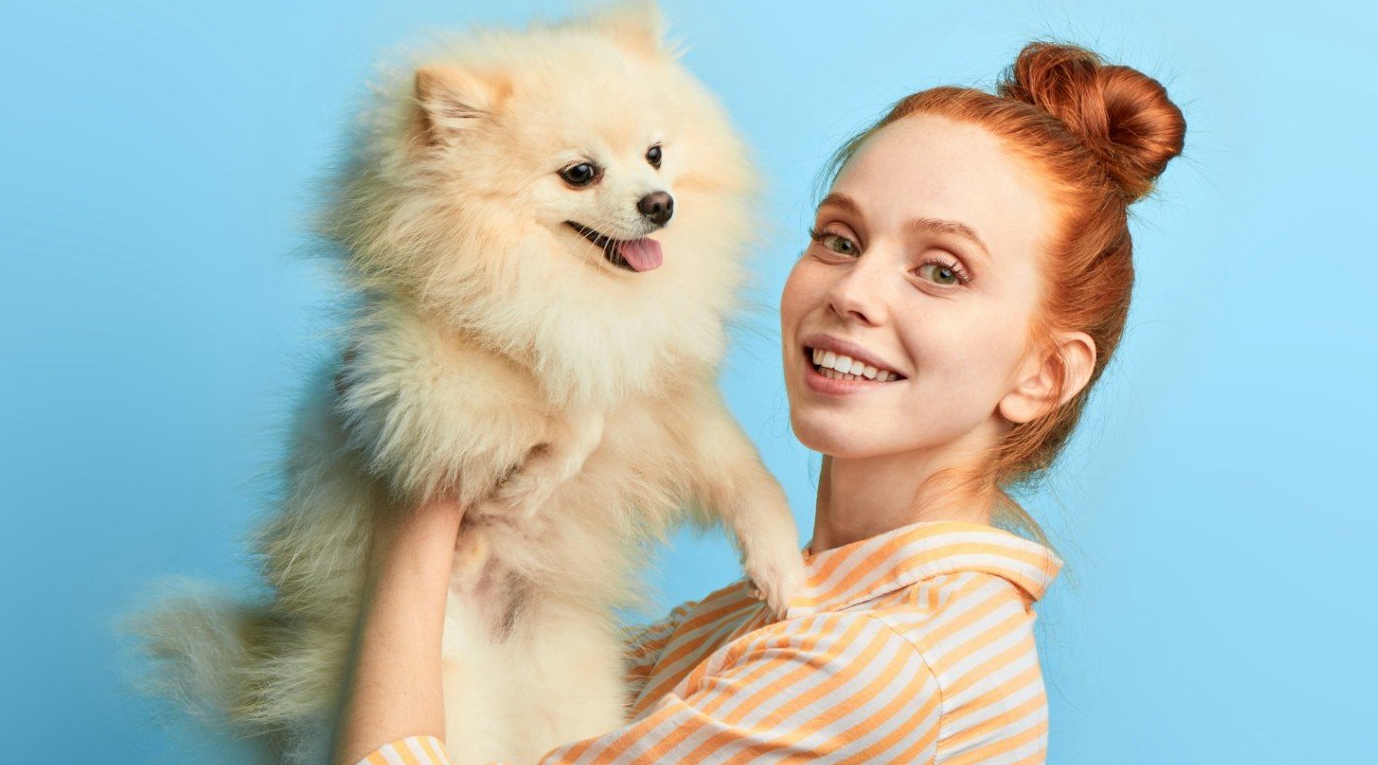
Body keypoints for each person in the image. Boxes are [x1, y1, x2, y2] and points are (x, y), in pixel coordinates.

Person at [335, 40, 1187, 765]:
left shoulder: (874, 668)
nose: (853, 291)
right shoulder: (781, 610)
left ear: (1043, 375)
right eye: (839, 239)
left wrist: (416, 497)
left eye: (941, 270)